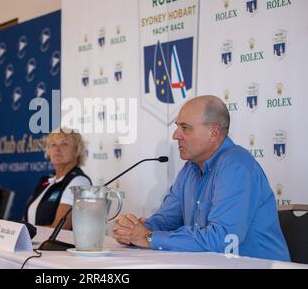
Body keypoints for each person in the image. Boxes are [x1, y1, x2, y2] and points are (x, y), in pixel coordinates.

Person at [112, 95, 290, 261]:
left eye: (185, 128)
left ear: (213, 132)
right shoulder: (191, 168)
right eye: (177, 127)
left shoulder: (236, 166)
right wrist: (133, 231)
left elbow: (223, 239)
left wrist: (148, 237)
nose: (176, 135)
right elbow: (167, 220)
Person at [25, 128, 91, 230]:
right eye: (53, 145)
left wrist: (28, 235)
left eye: (64, 144)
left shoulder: (79, 181)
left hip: (54, 245)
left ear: (77, 150)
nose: (57, 149)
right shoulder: (46, 180)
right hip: (35, 243)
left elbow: (60, 229)